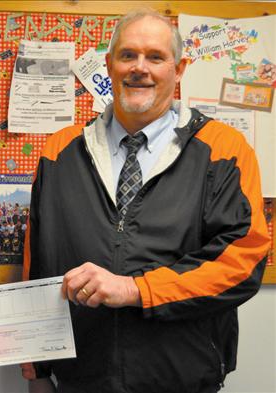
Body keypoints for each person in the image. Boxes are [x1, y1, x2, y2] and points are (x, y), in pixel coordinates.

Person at [22, 9, 270, 393]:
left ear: (179, 68)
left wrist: (136, 290)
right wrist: (36, 370)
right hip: (80, 379)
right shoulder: (59, 151)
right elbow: (38, 260)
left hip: (181, 377)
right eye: (127, 55)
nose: (140, 68)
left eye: (155, 57)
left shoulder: (224, 149)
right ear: (109, 64)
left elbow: (243, 261)